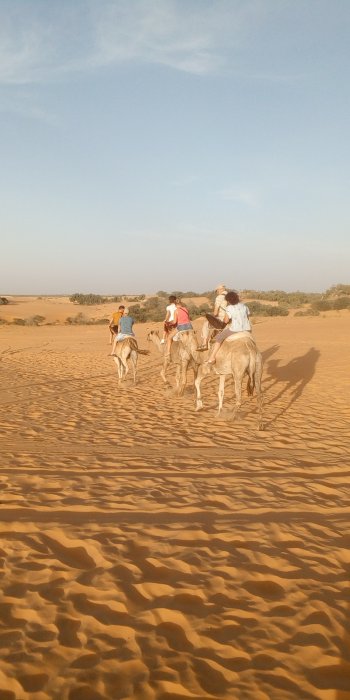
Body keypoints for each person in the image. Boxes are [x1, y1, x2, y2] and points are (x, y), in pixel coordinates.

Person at [206, 291, 251, 364]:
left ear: (229, 300)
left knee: (219, 338)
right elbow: (248, 317)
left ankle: (212, 357)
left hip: (235, 329)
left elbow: (226, 320)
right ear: (237, 298)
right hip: (247, 329)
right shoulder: (244, 306)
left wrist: (224, 323)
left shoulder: (229, 308)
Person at [199, 284, 228, 349]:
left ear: (220, 290)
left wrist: (211, 315)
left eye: (217, 291)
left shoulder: (219, 297)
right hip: (231, 319)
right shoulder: (230, 296)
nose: (217, 292)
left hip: (222, 318)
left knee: (206, 324)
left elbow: (215, 313)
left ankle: (204, 344)